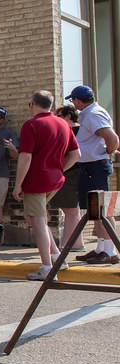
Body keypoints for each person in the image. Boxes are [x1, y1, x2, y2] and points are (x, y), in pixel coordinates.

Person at [13, 90, 81, 281]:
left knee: (37, 220)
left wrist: (18, 184)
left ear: (32, 105)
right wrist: (60, 169)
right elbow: (76, 154)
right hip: (55, 181)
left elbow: (25, 157)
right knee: (35, 217)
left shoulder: (31, 125)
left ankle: (47, 267)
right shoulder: (63, 124)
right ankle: (57, 256)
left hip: (36, 181)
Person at [66, 85, 120, 264]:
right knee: (94, 210)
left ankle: (110, 251)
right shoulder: (89, 114)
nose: (73, 104)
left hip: (95, 166)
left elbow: (112, 139)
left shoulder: (94, 114)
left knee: (102, 210)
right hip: (89, 167)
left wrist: (108, 151)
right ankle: (100, 248)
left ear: (78, 100)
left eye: (72, 100)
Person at [50, 105, 83, 251]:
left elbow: (74, 154)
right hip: (75, 173)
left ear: (69, 116)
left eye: (60, 115)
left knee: (70, 210)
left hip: (70, 173)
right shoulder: (82, 130)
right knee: (72, 210)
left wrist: (61, 170)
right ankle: (75, 243)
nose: (57, 119)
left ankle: (71, 244)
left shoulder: (74, 131)